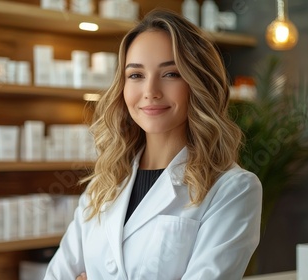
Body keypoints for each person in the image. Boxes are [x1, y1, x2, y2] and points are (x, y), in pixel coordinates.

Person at [43, 8, 262, 280]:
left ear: (198, 83)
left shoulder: (232, 189)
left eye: (170, 74)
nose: (150, 92)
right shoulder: (103, 186)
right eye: (136, 75)